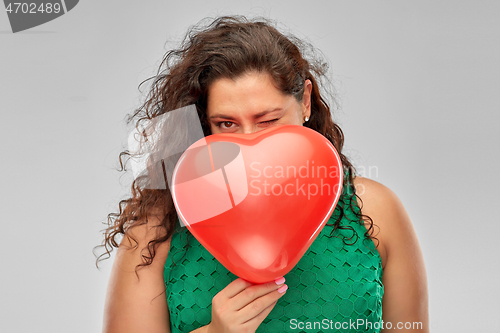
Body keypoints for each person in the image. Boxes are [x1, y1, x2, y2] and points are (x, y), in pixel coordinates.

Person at [96, 16, 428, 333]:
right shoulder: (157, 229)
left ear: (306, 103)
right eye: (226, 124)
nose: (248, 144)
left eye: (267, 120)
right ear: (203, 124)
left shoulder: (374, 209)